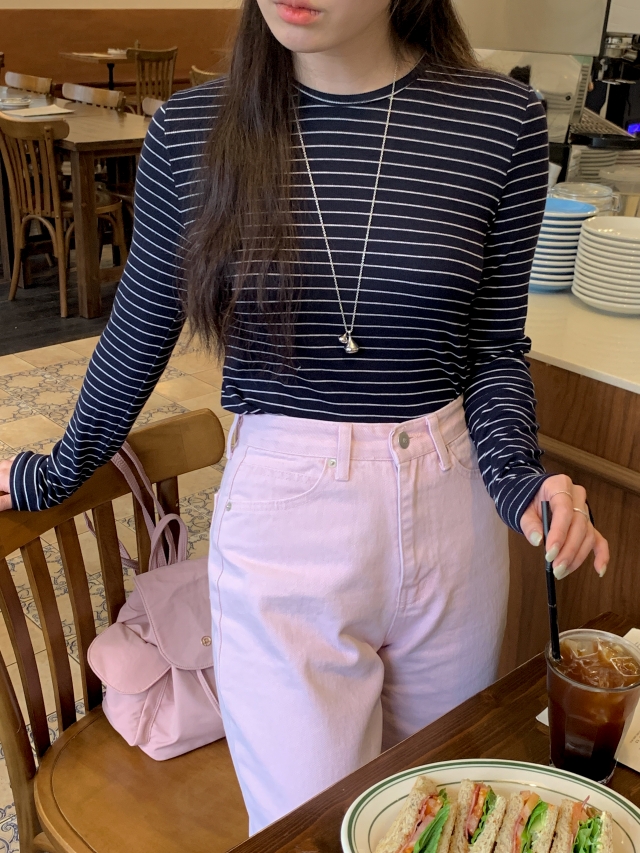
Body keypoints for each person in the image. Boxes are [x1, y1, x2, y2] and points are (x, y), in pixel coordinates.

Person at [0, 0, 609, 834]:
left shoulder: (498, 122)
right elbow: (139, 333)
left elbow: (493, 349)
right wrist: (52, 471)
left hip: (454, 512)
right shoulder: (193, 131)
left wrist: (520, 483)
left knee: (433, 816)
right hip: (285, 522)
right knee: (311, 830)